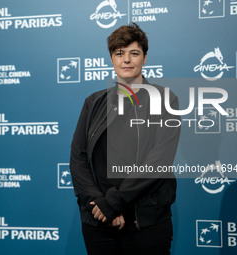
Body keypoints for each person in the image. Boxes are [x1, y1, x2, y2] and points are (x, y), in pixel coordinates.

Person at [70, 23, 180, 255]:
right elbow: (78, 159)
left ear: (145, 57)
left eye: (134, 53)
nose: (126, 60)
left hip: (145, 223)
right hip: (98, 222)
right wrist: (100, 204)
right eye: (119, 53)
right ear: (112, 58)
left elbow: (159, 160)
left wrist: (114, 203)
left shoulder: (165, 100)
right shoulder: (93, 103)